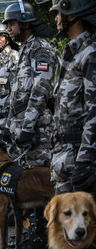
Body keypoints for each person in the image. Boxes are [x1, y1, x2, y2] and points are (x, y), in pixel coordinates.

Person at [3, 1, 58, 249]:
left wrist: (26, 127)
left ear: (25, 23)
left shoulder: (40, 49)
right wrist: (10, 127)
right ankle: (32, 235)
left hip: (37, 130)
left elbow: (41, 89)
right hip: (23, 131)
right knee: (27, 182)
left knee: (40, 183)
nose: (8, 28)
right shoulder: (24, 50)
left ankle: (42, 237)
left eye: (12, 23)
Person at [49, 0, 96, 200]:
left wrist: (86, 158)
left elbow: (94, 111)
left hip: (80, 155)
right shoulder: (72, 53)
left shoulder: (90, 54)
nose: (56, 19)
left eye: (59, 13)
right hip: (65, 154)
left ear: (73, 14)